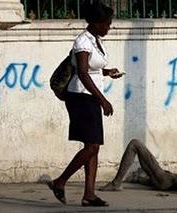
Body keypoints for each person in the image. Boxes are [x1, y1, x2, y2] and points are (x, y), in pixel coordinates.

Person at [47, 0, 123, 207]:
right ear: (96, 22)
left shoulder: (95, 39)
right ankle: (60, 181)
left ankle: (89, 194)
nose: (109, 26)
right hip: (81, 97)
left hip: (89, 97)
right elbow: (81, 72)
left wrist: (107, 72)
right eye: (107, 23)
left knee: (93, 147)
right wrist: (102, 99)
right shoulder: (83, 42)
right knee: (91, 147)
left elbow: (91, 69)